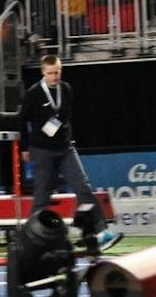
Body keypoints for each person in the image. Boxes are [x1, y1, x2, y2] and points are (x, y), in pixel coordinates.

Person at [22, 57, 120, 252]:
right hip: (42, 150)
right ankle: (33, 240)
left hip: (65, 148)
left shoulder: (66, 89)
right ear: (43, 72)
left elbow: (65, 115)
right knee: (42, 196)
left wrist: (56, 129)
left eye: (57, 72)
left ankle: (102, 232)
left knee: (83, 188)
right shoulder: (33, 93)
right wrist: (25, 148)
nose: (54, 76)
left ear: (61, 71)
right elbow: (23, 121)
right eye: (50, 73)